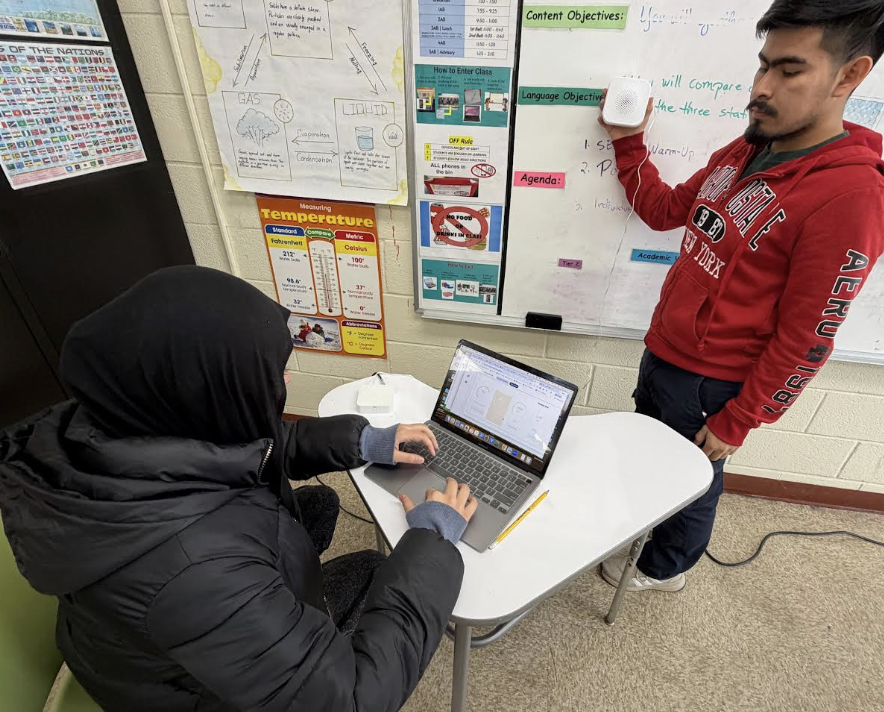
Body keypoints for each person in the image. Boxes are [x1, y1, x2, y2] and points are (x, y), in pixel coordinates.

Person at [0, 266, 477, 712]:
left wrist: (365, 440)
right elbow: (353, 699)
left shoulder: (108, 417)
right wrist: (432, 541)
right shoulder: (199, 573)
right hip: (192, 692)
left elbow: (255, 444)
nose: (286, 379)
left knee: (320, 505)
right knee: (383, 568)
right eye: (271, 374)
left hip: (136, 642)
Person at [597, 0, 884, 592]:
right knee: (654, 463)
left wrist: (740, 420)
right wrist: (629, 143)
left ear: (849, 76)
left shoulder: (850, 195)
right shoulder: (747, 148)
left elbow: (809, 335)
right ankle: (647, 530)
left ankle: (666, 569)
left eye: (788, 70)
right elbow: (664, 210)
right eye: (762, 66)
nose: (761, 87)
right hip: (665, 353)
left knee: (695, 480)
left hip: (716, 384)